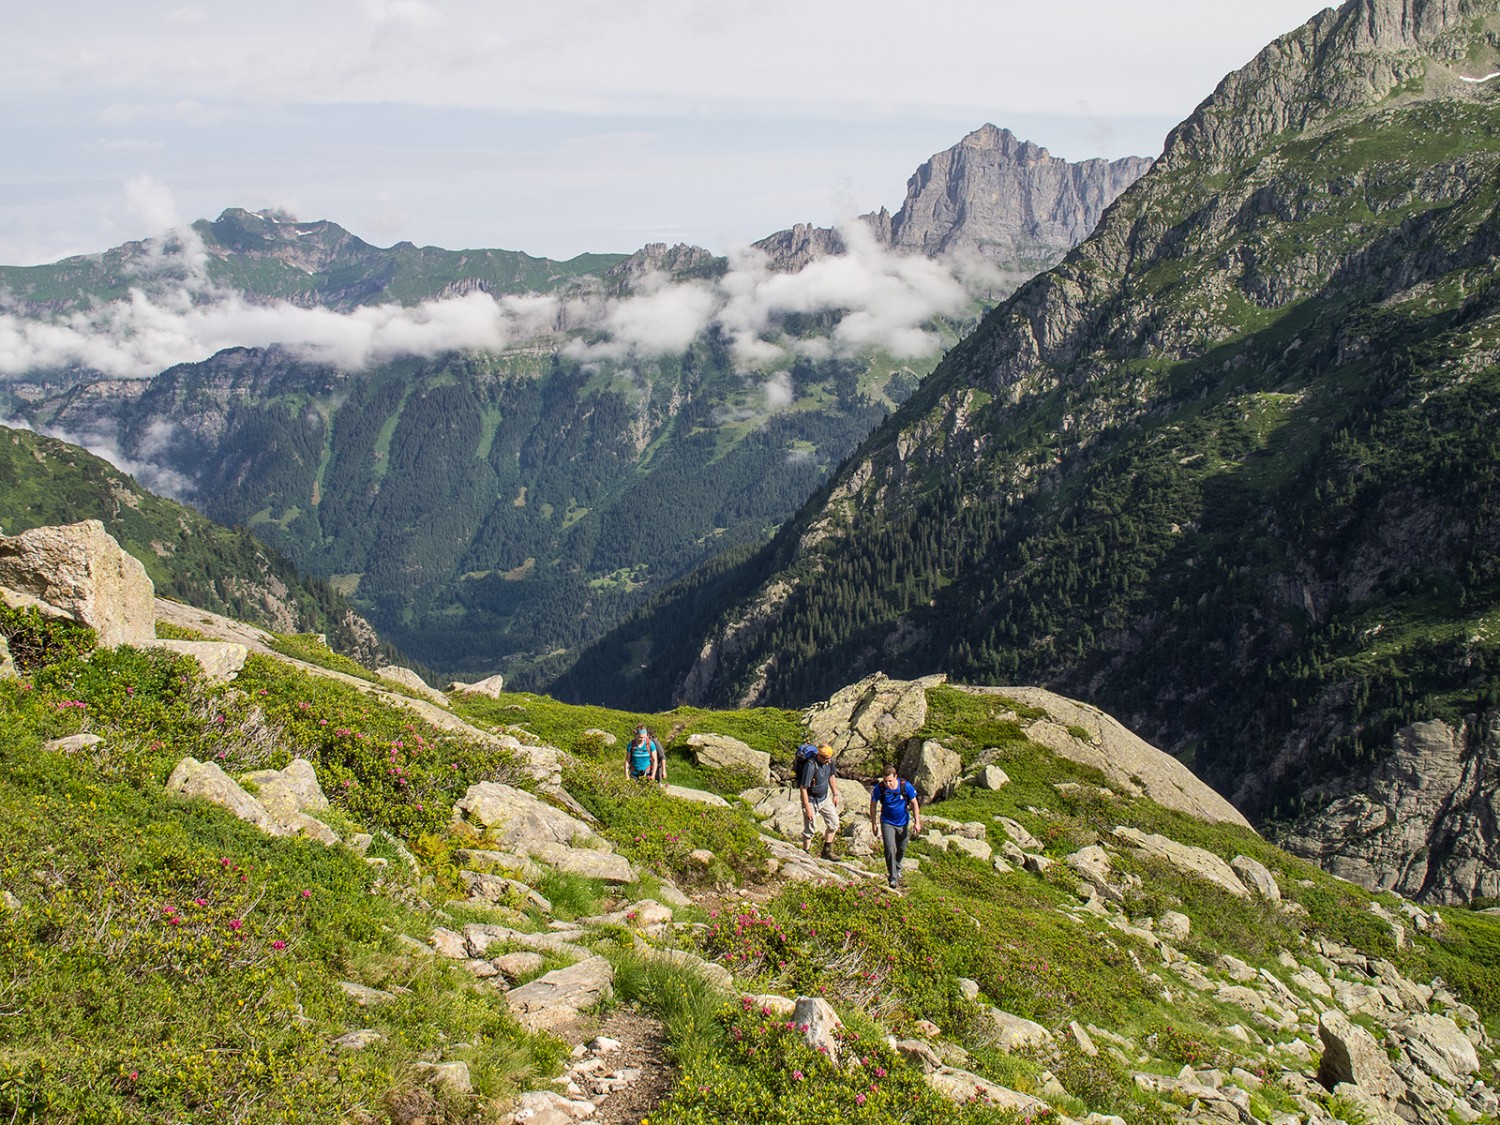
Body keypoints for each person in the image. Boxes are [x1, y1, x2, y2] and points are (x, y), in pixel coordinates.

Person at [869, 764, 921, 888]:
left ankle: (897, 866)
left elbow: (914, 802)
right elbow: (873, 805)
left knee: (902, 848)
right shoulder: (880, 788)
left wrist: (917, 822)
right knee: (890, 848)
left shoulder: (905, 786)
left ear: (895, 777)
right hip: (887, 822)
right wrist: (874, 824)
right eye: (885, 781)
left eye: (890, 781)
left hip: (903, 822)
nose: (888, 784)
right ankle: (893, 877)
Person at [800, 744, 841, 858]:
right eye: (826, 759)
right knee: (810, 830)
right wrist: (807, 808)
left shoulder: (829, 762)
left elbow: (831, 776)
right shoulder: (811, 766)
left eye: (829, 759)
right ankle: (805, 854)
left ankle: (827, 851)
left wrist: (835, 794)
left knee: (834, 823)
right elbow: (803, 788)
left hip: (825, 798)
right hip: (811, 800)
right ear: (820, 756)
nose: (828, 761)